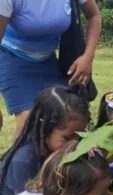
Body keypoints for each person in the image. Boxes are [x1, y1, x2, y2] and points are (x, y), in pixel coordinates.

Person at [0, 0, 101, 141]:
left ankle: (56, 162)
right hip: (12, 57)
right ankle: (18, 162)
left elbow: (93, 16)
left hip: (48, 60)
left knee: (67, 119)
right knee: (30, 124)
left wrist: (87, 58)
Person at [0, 83, 89, 195]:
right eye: (67, 138)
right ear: (45, 126)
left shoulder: (65, 151)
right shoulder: (23, 161)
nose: (75, 144)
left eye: (80, 137)